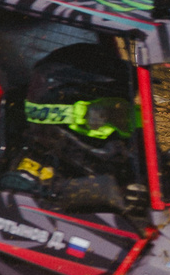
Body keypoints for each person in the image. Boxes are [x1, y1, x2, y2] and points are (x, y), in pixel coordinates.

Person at [8, 42, 144, 199]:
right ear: (53, 115)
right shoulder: (27, 186)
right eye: (101, 118)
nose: (117, 136)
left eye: (122, 117)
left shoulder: (124, 170)